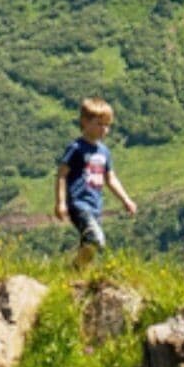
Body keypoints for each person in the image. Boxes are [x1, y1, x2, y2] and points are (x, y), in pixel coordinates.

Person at [54, 98, 141, 253]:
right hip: (79, 204)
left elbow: (111, 178)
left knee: (91, 247)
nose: (104, 129)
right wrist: (61, 203)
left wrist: (126, 199)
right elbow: (61, 175)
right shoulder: (76, 148)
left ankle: (76, 269)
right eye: (99, 124)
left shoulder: (104, 151)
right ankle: (75, 268)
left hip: (96, 205)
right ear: (85, 122)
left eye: (107, 125)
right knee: (96, 239)